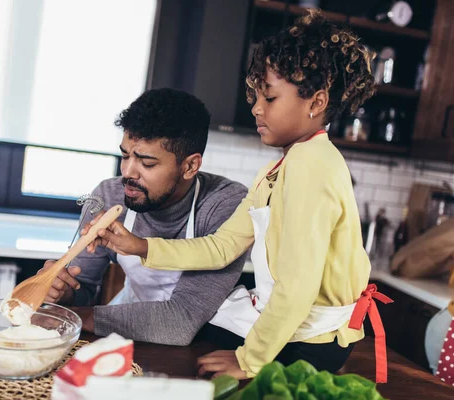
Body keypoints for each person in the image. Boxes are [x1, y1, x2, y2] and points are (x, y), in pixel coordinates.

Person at [85, 11, 392, 382]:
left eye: (270, 97)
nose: (256, 108)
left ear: (317, 101)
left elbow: (297, 287)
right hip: (290, 324)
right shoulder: (277, 169)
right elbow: (220, 247)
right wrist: (140, 246)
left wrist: (250, 360)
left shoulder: (314, 167)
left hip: (315, 341)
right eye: (256, 95)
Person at [40, 88, 249, 346]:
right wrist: (62, 293)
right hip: (130, 324)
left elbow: (180, 320)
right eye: (125, 155)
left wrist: (72, 318)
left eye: (147, 163)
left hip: (204, 341)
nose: (127, 172)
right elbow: (82, 286)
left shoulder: (224, 203)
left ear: (190, 166)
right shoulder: (109, 195)